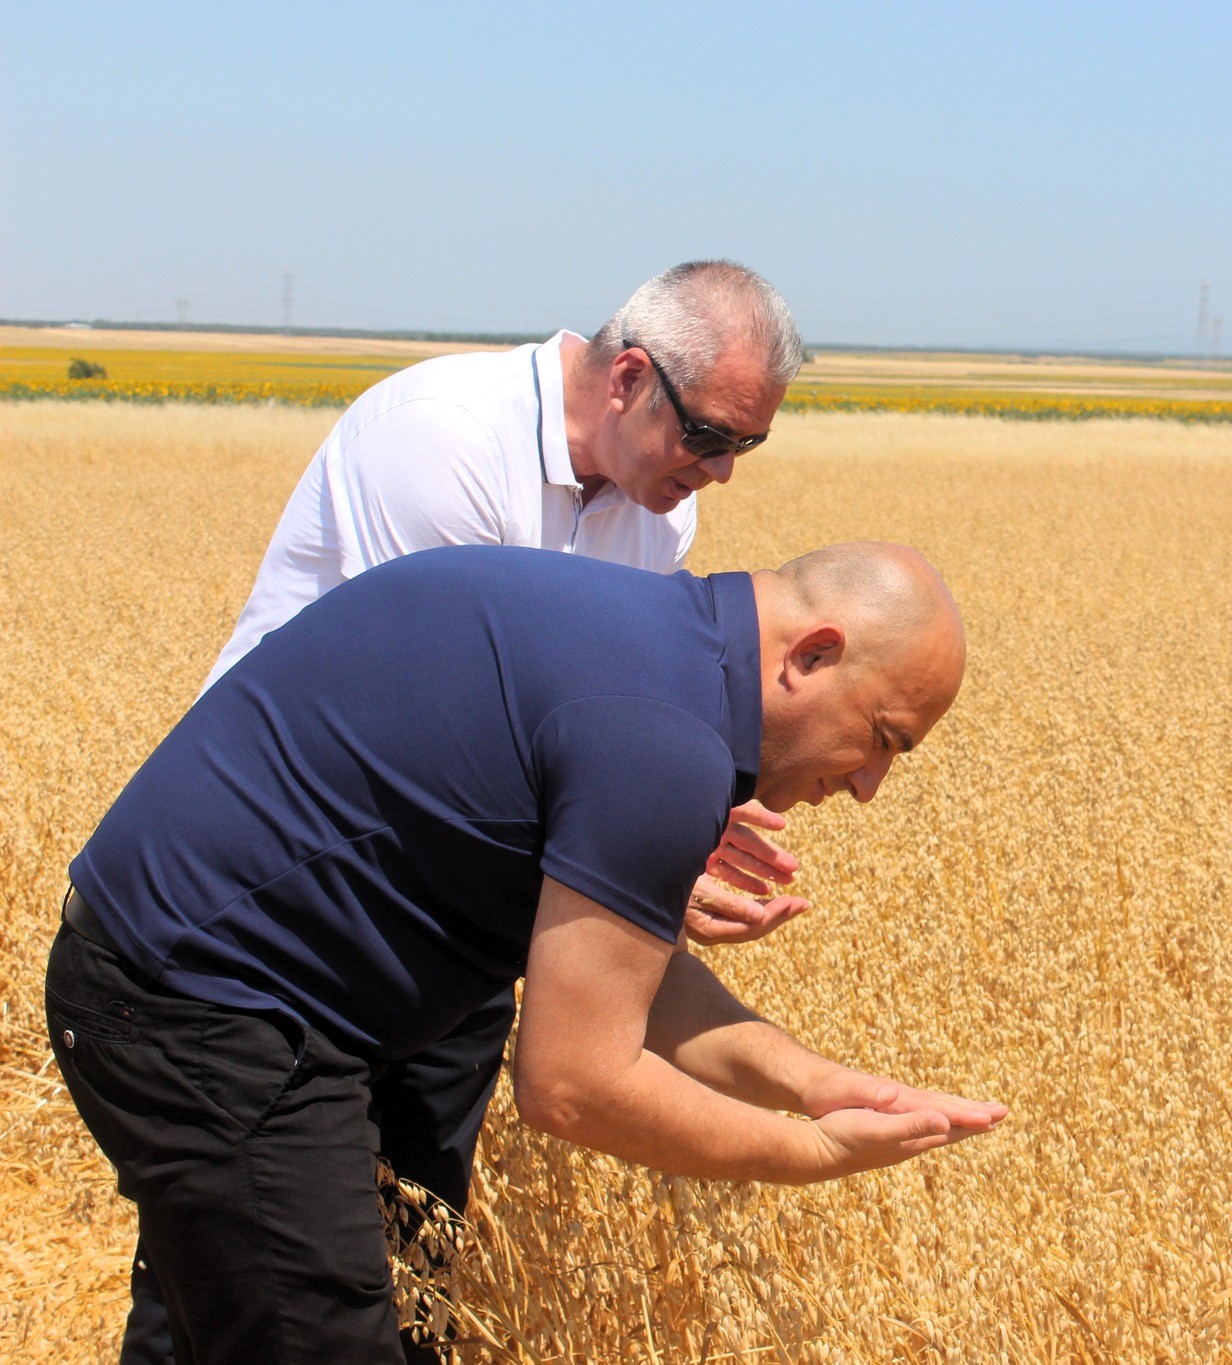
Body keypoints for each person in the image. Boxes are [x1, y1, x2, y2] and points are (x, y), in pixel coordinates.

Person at [49, 540, 1005, 1363]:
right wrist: (811, 1151)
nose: (871, 784)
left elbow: (623, 970)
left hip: (174, 976)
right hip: (200, 1007)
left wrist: (816, 1083)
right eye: (882, 738)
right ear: (815, 653)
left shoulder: (658, 649)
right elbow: (574, 1083)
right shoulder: (665, 741)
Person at [114, 262, 811, 1363]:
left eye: (747, 449)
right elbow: (440, 750)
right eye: (711, 436)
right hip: (283, 909)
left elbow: (589, 736)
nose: (720, 474)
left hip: (453, 924)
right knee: (248, 1261)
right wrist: (642, 871)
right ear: (630, 376)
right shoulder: (439, 441)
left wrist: (672, 821)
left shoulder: (651, 515)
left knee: (409, 1236)